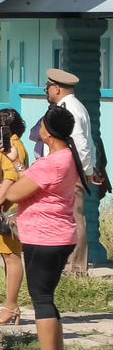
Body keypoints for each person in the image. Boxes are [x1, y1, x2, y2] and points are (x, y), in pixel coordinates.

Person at [0, 104, 85, 350]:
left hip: (44, 236)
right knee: (47, 300)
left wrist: (14, 172)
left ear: (48, 132)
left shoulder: (51, 162)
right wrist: (20, 164)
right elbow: (34, 181)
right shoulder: (67, 157)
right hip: (58, 234)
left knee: (42, 300)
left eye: (42, 125)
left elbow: (14, 192)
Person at [42, 68, 104, 275]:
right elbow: (89, 143)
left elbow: (81, 143)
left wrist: (85, 171)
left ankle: (76, 268)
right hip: (68, 169)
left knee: (75, 218)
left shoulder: (69, 108)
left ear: (57, 88)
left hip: (69, 170)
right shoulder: (72, 106)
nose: (47, 90)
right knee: (68, 216)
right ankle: (69, 265)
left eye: (48, 86)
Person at [0, 109, 30, 325]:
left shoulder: (12, 146)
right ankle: (11, 307)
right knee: (7, 257)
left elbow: (10, 178)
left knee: (11, 258)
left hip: (6, 211)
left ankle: (11, 308)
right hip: (3, 209)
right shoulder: (10, 145)